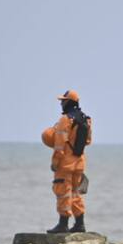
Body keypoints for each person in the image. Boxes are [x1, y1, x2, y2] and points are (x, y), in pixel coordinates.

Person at [41, 90, 92, 233]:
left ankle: (63, 224)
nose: (61, 103)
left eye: (63, 101)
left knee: (62, 191)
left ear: (69, 102)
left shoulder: (65, 119)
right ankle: (79, 224)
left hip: (66, 163)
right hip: (79, 161)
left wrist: (55, 162)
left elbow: (59, 144)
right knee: (76, 193)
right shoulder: (86, 119)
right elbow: (88, 141)